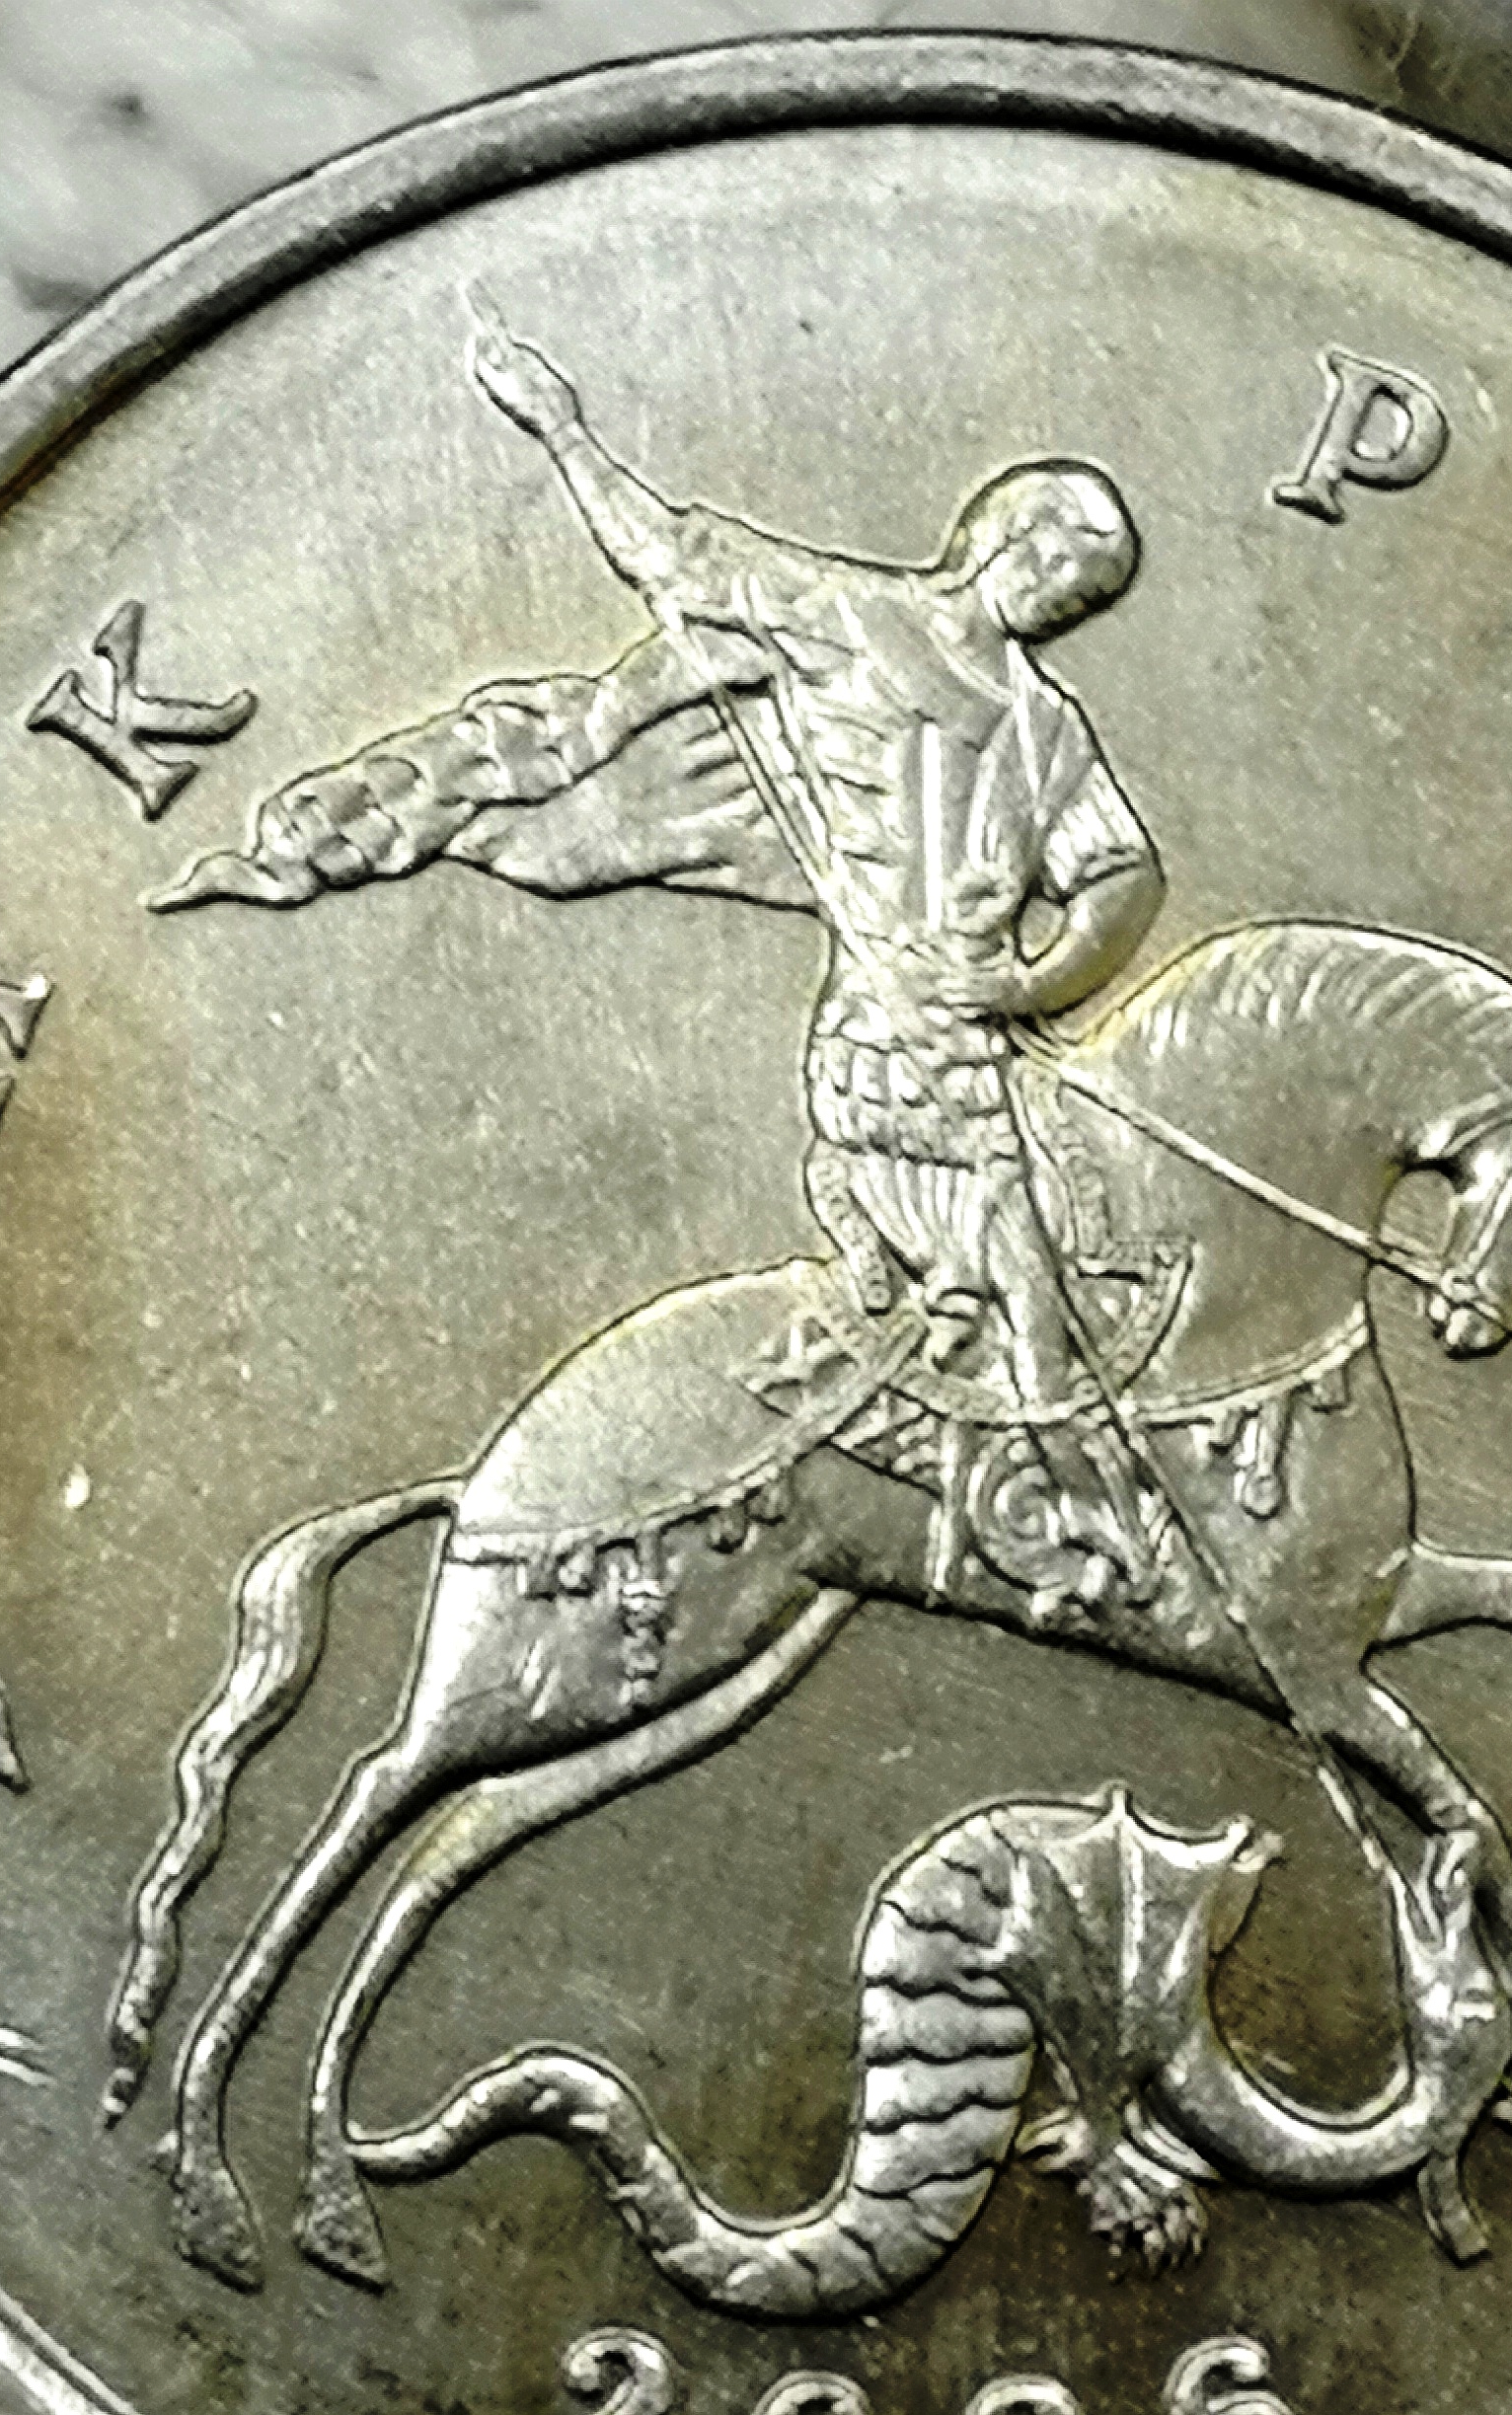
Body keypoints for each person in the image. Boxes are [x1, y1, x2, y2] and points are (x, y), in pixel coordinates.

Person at [161, 319, 1176, 1606]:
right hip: (888, 1042)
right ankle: (1068, 1524)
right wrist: (562, 429)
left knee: (1120, 1225)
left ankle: (999, 1446)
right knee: (1028, 1281)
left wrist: (1033, 980)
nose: (1067, 590)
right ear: (997, 533)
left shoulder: (1043, 724)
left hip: (983, 1028)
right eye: (1061, 556)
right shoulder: (848, 621)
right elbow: (669, 555)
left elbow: (1123, 873)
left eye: (1090, 585)